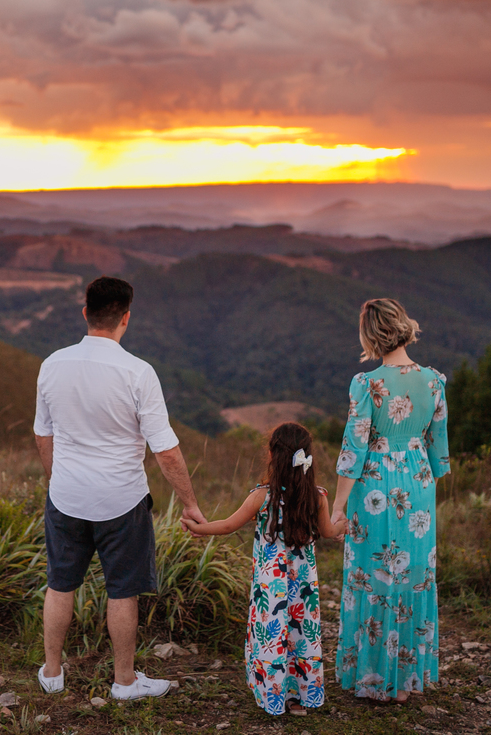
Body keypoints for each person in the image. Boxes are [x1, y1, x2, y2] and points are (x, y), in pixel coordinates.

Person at [34, 276, 207, 701]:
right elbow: (166, 451)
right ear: (126, 318)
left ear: (85, 313)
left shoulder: (52, 364)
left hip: (66, 496)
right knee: (123, 590)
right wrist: (190, 504)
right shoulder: (138, 372)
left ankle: (52, 674)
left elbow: (43, 433)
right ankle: (124, 681)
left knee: (60, 583)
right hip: (121, 500)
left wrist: (58, 479)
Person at [182, 422, 347, 717]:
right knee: (300, 634)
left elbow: (229, 525)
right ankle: (299, 698)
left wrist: (199, 528)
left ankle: (274, 695)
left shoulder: (262, 496)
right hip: (303, 586)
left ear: (272, 456)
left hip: (271, 584)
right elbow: (327, 531)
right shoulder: (317, 497)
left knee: (272, 634)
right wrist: (341, 527)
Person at [331, 298, 450, 702]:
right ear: (403, 327)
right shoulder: (434, 381)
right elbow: (438, 448)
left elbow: (354, 449)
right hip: (418, 482)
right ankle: (406, 679)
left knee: (373, 575)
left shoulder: (366, 384)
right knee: (414, 575)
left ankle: (374, 677)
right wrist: (423, 485)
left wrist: (337, 507)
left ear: (370, 336)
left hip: (375, 486)